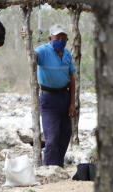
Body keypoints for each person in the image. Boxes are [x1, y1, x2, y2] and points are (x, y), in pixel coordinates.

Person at [34, 25, 76, 168]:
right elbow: (32, 56)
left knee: (65, 133)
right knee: (51, 137)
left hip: (64, 96)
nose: (61, 41)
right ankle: (48, 168)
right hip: (49, 98)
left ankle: (58, 166)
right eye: (58, 38)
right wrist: (25, 38)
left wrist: (72, 103)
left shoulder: (67, 54)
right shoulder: (43, 51)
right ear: (50, 39)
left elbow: (72, 78)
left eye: (64, 38)